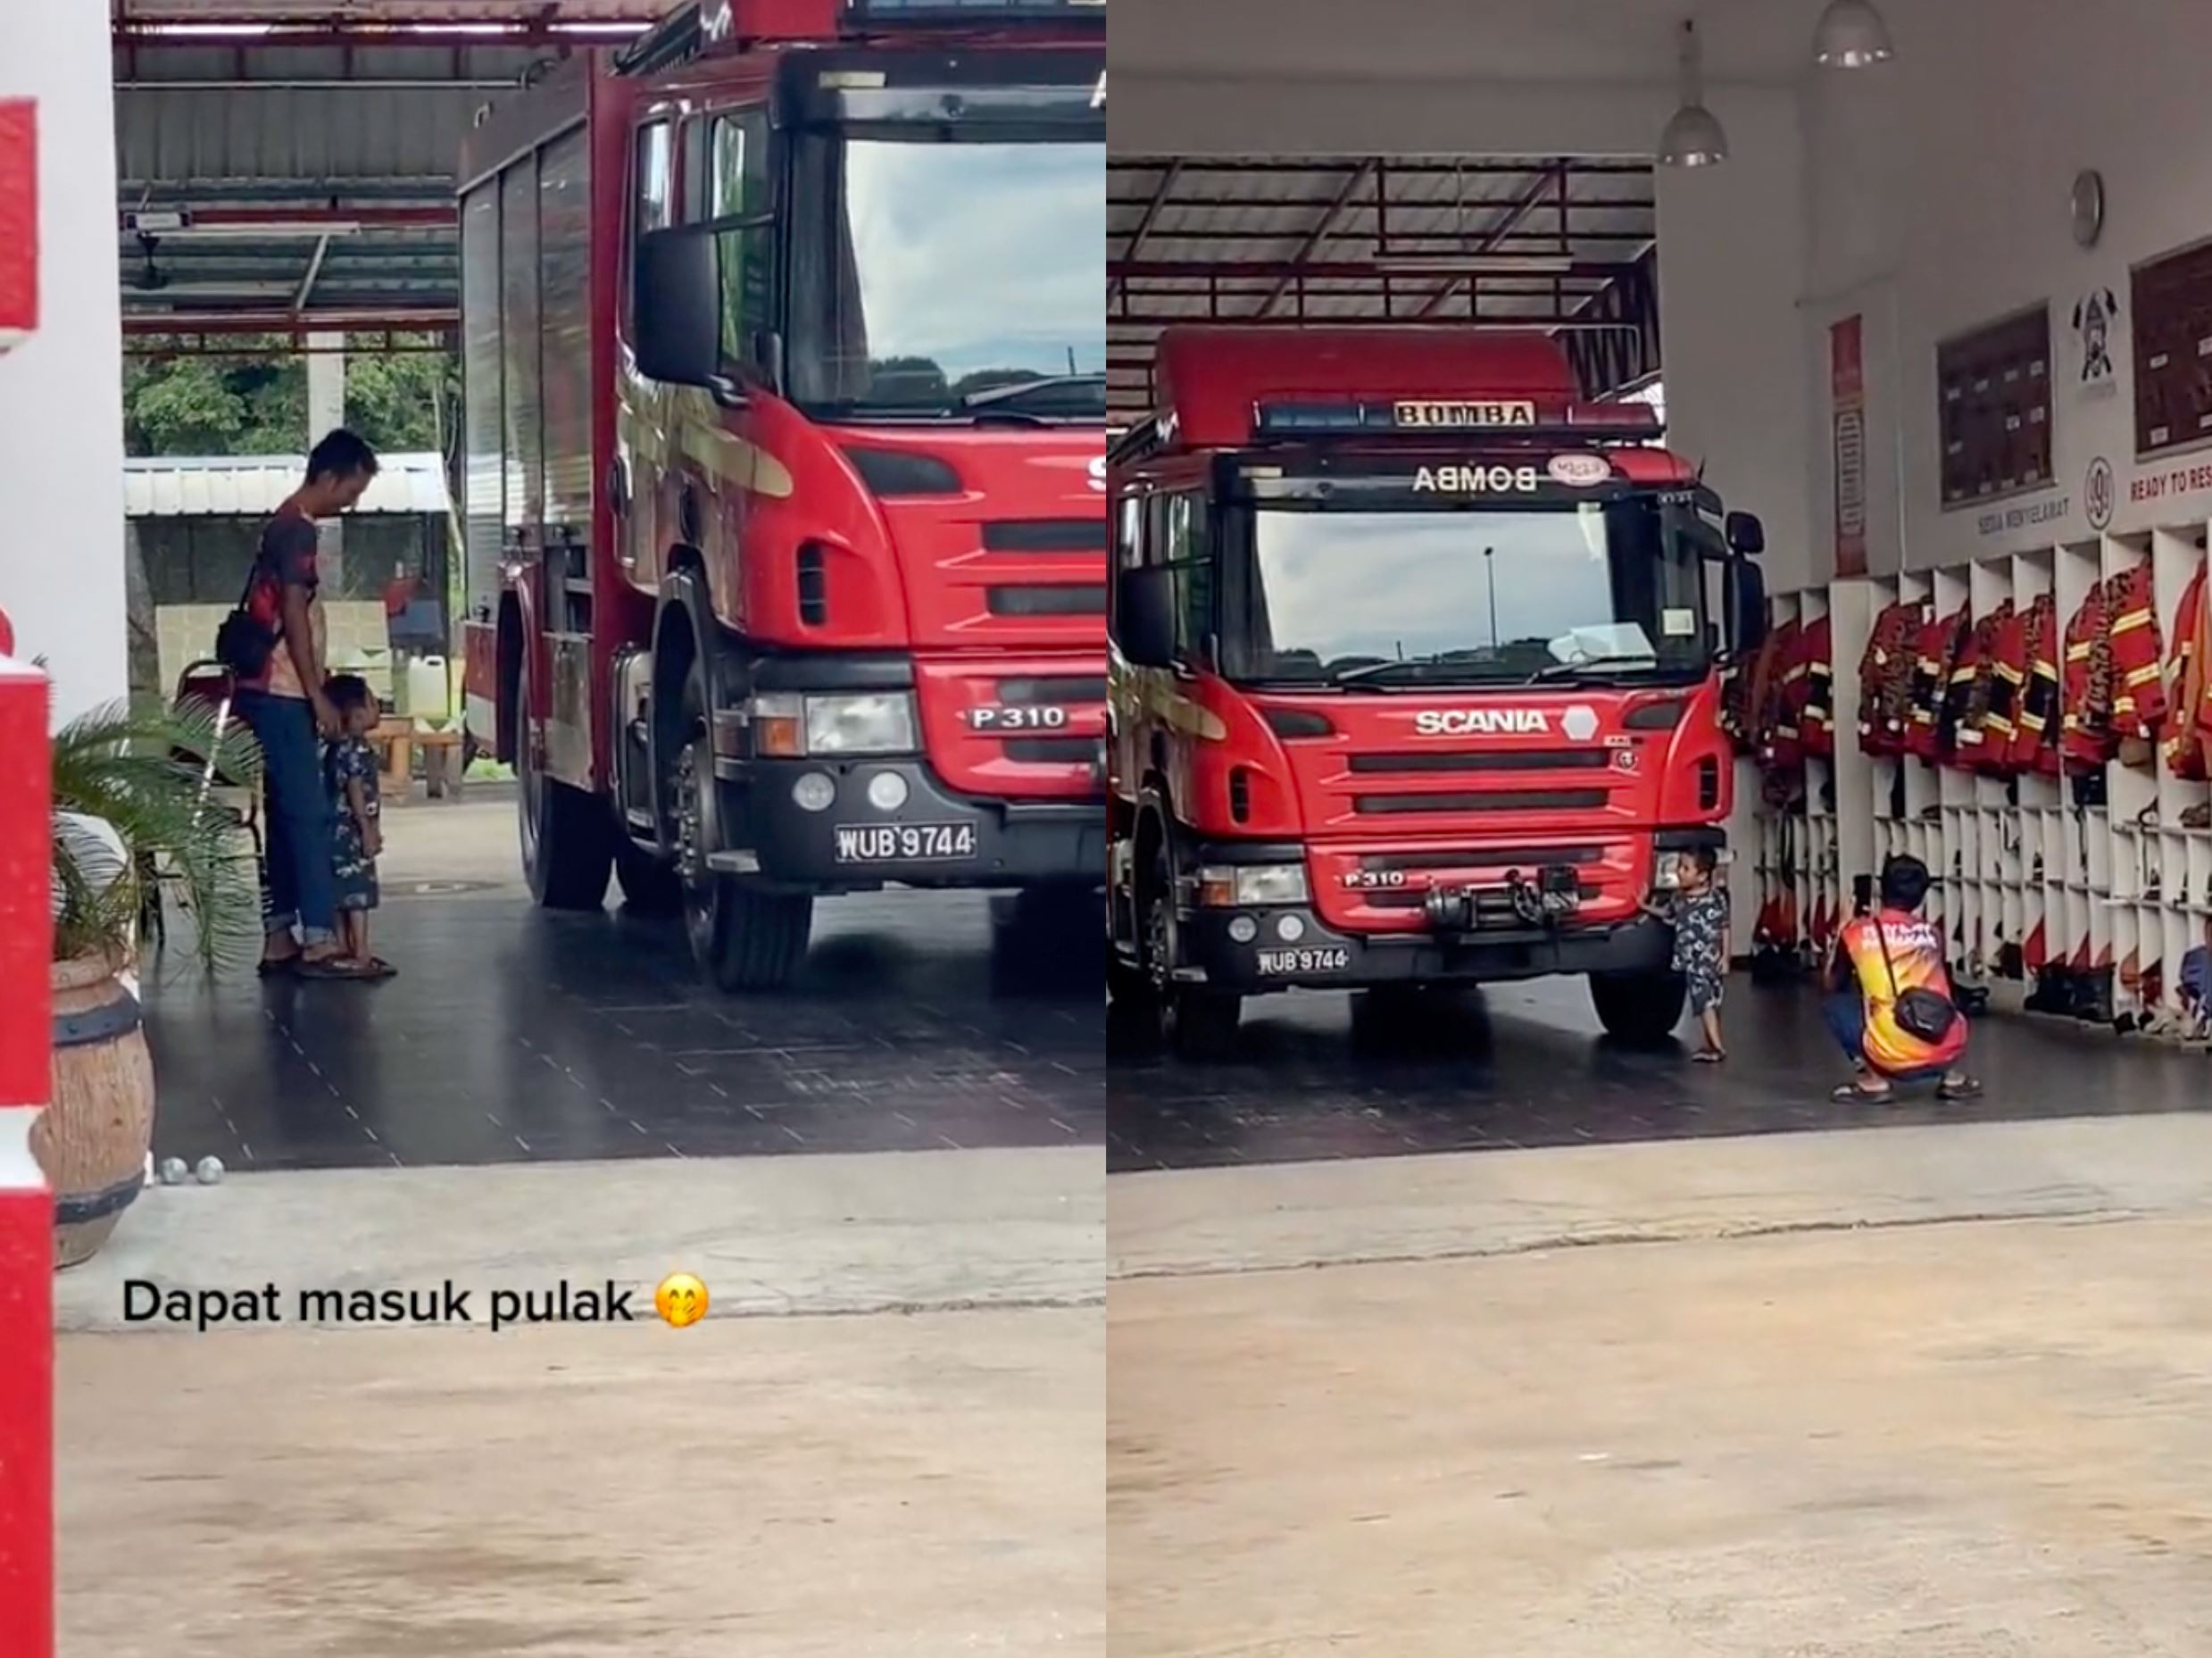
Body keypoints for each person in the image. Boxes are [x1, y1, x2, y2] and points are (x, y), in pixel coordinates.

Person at [233, 429, 381, 980]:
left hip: (269, 691)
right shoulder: (296, 530)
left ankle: (280, 934)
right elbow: (293, 612)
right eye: (352, 489)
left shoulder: (285, 522)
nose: (352, 501)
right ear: (327, 477)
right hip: (282, 690)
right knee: (310, 812)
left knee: (285, 813)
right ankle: (320, 938)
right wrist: (317, 691)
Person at [1826, 854, 1982, 1103]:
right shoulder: (1932, 933)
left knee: (1836, 1005)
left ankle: (1873, 1082)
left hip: (1893, 1055)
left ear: (1880, 889)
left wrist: (1842, 931)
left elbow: (1832, 983)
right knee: (1939, 993)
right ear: (1921, 896)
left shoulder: (1856, 932)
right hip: (1946, 1047)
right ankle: (1952, 1078)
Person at [322, 675, 392, 979]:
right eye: (372, 702)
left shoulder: (332, 747)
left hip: (333, 830)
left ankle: (342, 945)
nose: (378, 709)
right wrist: (367, 829)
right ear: (356, 712)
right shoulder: (357, 749)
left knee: (338, 891)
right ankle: (361, 950)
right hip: (351, 830)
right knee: (357, 891)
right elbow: (355, 789)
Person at [1642, 847, 1729, 1062]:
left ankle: (1717, 1047)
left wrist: (1726, 956)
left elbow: (1725, 926)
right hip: (1691, 960)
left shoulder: (1716, 898)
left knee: (1710, 1000)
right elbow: (1667, 913)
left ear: (1702, 876)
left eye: (1686, 868)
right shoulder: (1678, 898)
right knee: (1704, 999)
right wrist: (1643, 905)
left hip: (1709, 958)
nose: (1680, 872)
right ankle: (1712, 1044)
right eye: (1679, 867)